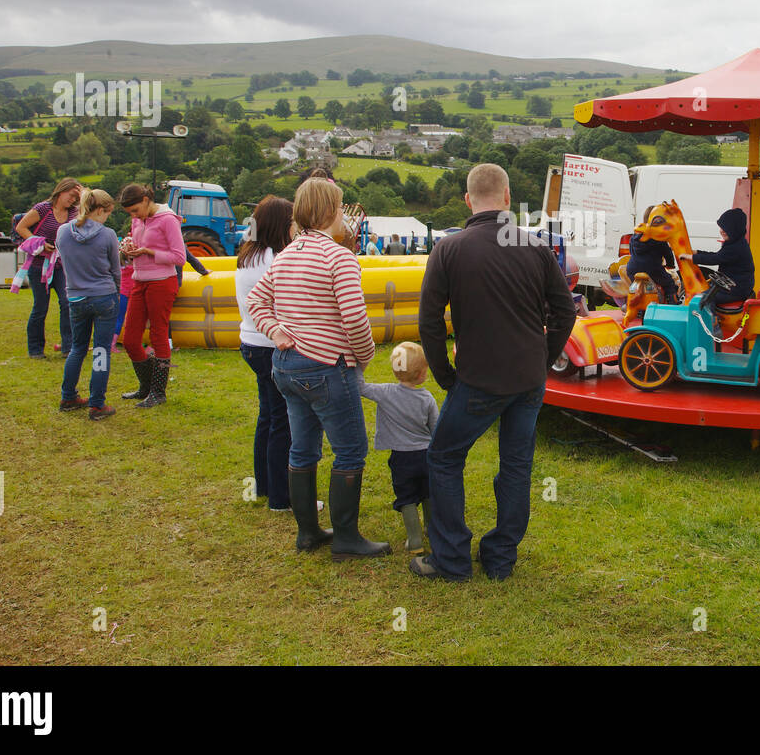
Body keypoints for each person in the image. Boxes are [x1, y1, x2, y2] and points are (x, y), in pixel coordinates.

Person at [414, 163, 576, 581]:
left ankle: (451, 560)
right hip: (527, 379)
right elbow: (565, 310)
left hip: (479, 378)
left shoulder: (448, 249)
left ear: (468, 200)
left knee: (445, 457)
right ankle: (501, 559)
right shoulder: (536, 247)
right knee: (516, 465)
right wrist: (542, 359)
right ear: (506, 198)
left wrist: (445, 374)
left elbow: (429, 321)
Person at [246, 178, 386, 560]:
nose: (343, 215)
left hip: (287, 367)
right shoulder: (340, 258)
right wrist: (365, 355)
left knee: (302, 448)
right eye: (340, 208)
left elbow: (256, 300)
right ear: (328, 212)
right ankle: (345, 538)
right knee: (351, 450)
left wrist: (275, 331)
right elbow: (355, 320)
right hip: (327, 366)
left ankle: (307, 532)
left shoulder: (288, 253)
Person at [236, 196, 297, 514]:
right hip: (270, 344)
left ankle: (263, 484)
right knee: (282, 423)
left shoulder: (249, 254)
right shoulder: (276, 258)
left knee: (268, 417)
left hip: (251, 341)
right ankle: (281, 497)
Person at [359, 341, 439, 556]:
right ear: (423, 374)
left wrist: (360, 363)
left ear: (395, 370)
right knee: (428, 492)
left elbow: (360, 387)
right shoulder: (427, 399)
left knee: (407, 496)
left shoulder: (385, 392)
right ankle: (432, 530)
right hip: (425, 456)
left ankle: (414, 540)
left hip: (401, 459)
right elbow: (436, 430)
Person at [55, 189, 122, 421]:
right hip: (104, 297)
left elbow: (64, 261)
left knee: (77, 348)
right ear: (101, 210)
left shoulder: (63, 232)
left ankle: (68, 395)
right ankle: (96, 404)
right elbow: (115, 270)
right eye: (108, 213)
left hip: (75, 297)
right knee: (101, 350)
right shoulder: (108, 235)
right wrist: (116, 292)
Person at [117, 184, 185, 408]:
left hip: (162, 282)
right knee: (130, 339)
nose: (134, 216)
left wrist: (148, 252)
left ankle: (158, 391)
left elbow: (179, 257)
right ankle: (146, 387)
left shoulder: (168, 219)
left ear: (146, 200)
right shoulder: (138, 220)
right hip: (139, 280)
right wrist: (129, 245)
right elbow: (136, 239)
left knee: (158, 335)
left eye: (136, 210)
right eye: (131, 214)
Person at [16, 178, 82, 357]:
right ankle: (35, 349)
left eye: (76, 197)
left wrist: (83, 196)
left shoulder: (74, 212)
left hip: (62, 265)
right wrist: (39, 243)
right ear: (61, 191)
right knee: (40, 306)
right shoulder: (43, 209)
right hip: (39, 265)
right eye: (71, 195)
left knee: (67, 303)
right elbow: (21, 227)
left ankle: (69, 347)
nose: (73, 200)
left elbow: (87, 222)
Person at [679, 207, 755, 307]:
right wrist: (697, 252)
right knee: (706, 290)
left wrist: (691, 257)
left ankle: (711, 321)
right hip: (733, 285)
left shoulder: (736, 248)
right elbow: (717, 255)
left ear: (735, 231)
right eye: (721, 228)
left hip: (736, 289)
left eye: (726, 229)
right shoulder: (735, 242)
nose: (722, 231)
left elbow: (714, 259)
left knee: (703, 300)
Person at [626, 206, 680, 302]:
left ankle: (631, 302)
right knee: (669, 283)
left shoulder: (634, 236)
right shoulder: (659, 238)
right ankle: (672, 302)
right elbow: (667, 253)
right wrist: (670, 265)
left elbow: (631, 251)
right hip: (652, 270)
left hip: (632, 269)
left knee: (634, 287)